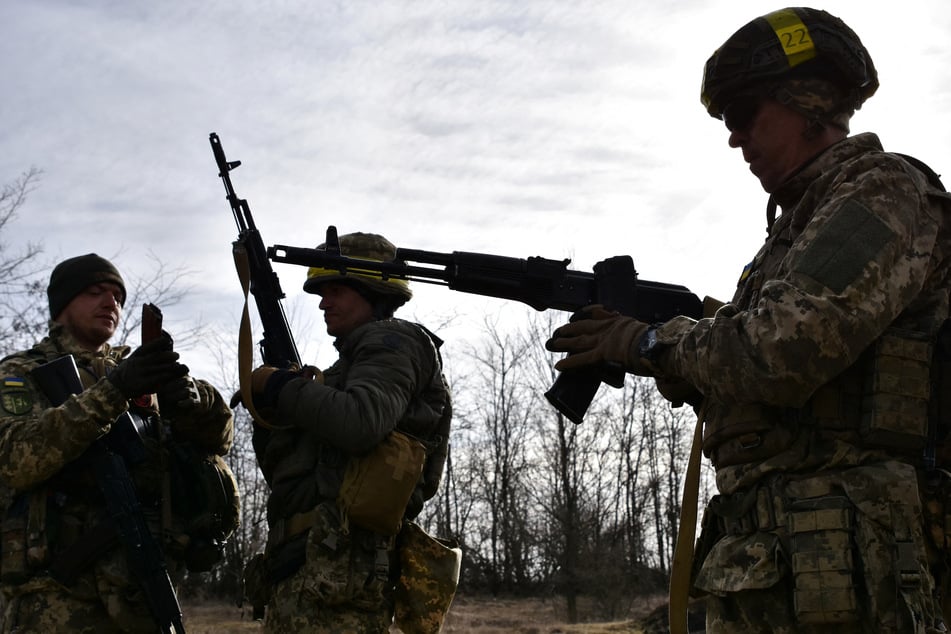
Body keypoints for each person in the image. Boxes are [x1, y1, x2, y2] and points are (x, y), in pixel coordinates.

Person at [546, 7, 951, 633]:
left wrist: (648, 341)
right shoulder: (792, 233)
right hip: (783, 558)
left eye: (743, 117)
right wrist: (676, 360)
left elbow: (784, 348)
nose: (734, 139)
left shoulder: (882, 190)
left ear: (808, 105)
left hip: (850, 561)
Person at [0, 253, 236, 632]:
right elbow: (16, 459)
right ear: (62, 306)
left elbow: (221, 441)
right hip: (54, 601)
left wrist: (193, 402)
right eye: (96, 292)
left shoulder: (141, 372)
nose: (111, 303)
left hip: (138, 593)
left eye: (118, 297)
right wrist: (114, 392)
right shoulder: (20, 373)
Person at [247, 232, 453, 633]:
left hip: (339, 577)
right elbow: (286, 477)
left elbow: (361, 423)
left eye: (335, 290)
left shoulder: (393, 340)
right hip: (310, 567)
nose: (324, 302)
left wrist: (279, 387)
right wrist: (272, 411)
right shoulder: (343, 372)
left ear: (371, 289)